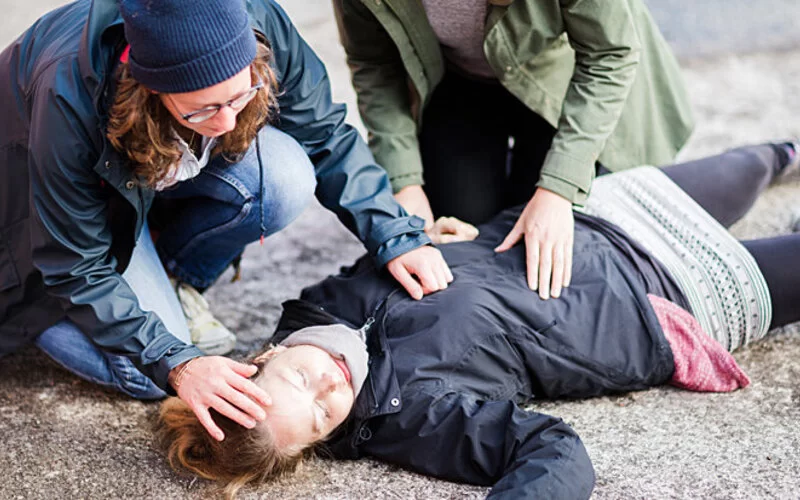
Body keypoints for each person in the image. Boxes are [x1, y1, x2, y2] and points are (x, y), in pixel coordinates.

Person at [156, 141, 800, 498]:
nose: (332, 389)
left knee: (757, 162)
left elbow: (414, 268)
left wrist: (443, 242)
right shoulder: (408, 416)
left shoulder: (318, 306)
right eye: (323, 417)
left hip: (589, 222)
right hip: (658, 299)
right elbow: (553, 450)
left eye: (301, 384)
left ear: (262, 357)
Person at [0, 0, 453, 442]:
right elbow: (76, 265)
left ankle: (170, 276)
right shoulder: (65, 93)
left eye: (240, 96)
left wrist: (395, 233)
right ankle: (48, 313)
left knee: (285, 176)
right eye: (202, 109)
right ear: (148, 87)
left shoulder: (254, 16)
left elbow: (325, 134)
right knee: (150, 377)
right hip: (46, 223)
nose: (227, 121)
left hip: (136, 188)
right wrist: (179, 363)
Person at [331, 0, 695, 300]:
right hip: (457, 83)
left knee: (551, 257)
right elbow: (375, 65)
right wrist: (405, 183)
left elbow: (609, 54)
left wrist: (558, 188)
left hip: (563, 79)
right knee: (460, 246)